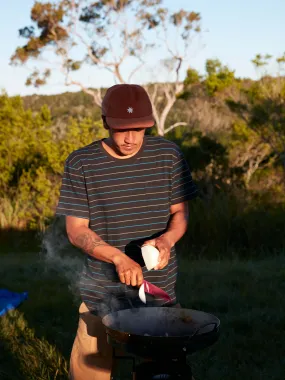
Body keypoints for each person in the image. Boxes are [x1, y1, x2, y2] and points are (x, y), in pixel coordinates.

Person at [56, 84, 198, 379]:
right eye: (122, 129)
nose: (131, 138)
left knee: (160, 373)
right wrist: (119, 259)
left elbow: (180, 213)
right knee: (89, 372)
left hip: (159, 293)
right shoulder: (82, 163)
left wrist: (167, 240)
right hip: (100, 294)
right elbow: (76, 230)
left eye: (139, 129)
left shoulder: (168, 155)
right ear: (105, 121)